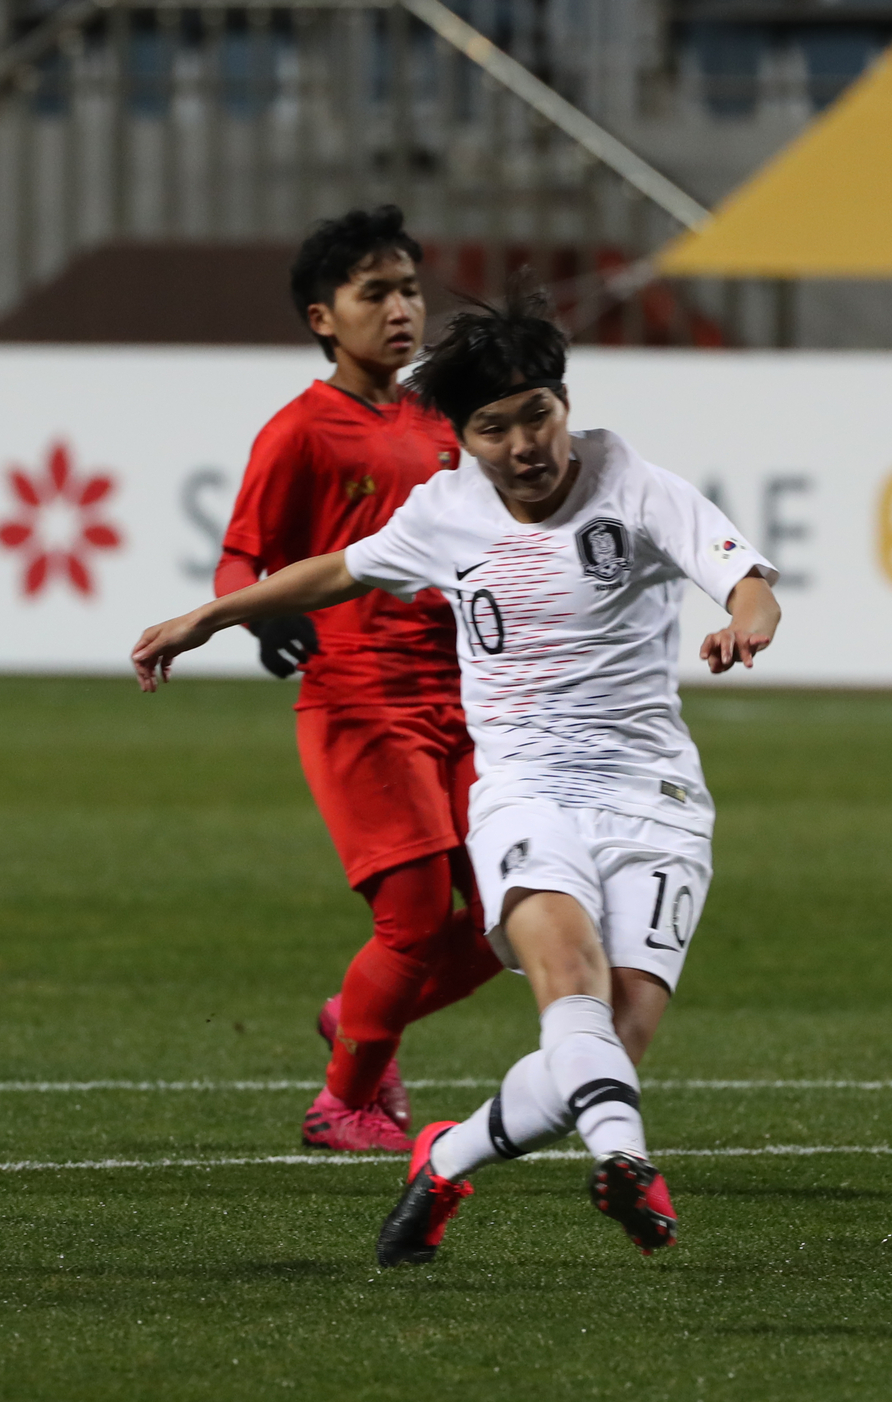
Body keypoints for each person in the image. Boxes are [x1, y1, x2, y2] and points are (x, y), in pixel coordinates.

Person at [132, 290, 781, 1262]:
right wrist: (208, 615)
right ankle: (626, 1156)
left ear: (563, 403)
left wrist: (743, 626)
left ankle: (444, 1156)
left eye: (537, 414)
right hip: (524, 789)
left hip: (654, 795)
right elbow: (336, 570)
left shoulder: (633, 484)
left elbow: (750, 581)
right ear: (464, 438)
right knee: (568, 981)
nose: (523, 441)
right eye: (494, 426)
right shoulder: (446, 512)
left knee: (615, 1038)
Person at [217, 206, 500, 1153]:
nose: (399, 310)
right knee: (415, 914)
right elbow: (238, 557)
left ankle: (362, 1017)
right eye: (372, 293)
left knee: (510, 914)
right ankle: (342, 1104)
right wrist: (266, 614)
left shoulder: (445, 423)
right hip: (358, 698)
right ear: (321, 318)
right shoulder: (300, 432)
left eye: (410, 289)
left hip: (464, 698)